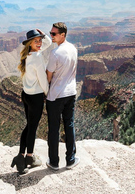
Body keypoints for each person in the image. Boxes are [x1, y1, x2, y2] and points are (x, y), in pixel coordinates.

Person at [11, 29, 52, 175]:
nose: (40, 43)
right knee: (32, 128)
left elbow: (46, 44)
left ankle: (24, 156)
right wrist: (48, 94)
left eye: (40, 40)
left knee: (29, 126)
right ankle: (26, 157)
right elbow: (42, 78)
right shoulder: (38, 58)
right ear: (30, 43)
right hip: (35, 97)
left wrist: (43, 36)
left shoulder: (27, 55)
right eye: (36, 41)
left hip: (26, 95)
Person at [45, 22, 79, 170]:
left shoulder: (55, 54)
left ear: (62, 35)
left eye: (54, 34)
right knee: (69, 125)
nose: (51, 36)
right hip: (71, 92)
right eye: (51, 33)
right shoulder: (73, 48)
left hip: (56, 96)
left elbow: (48, 77)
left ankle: (54, 162)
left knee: (54, 128)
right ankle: (71, 159)